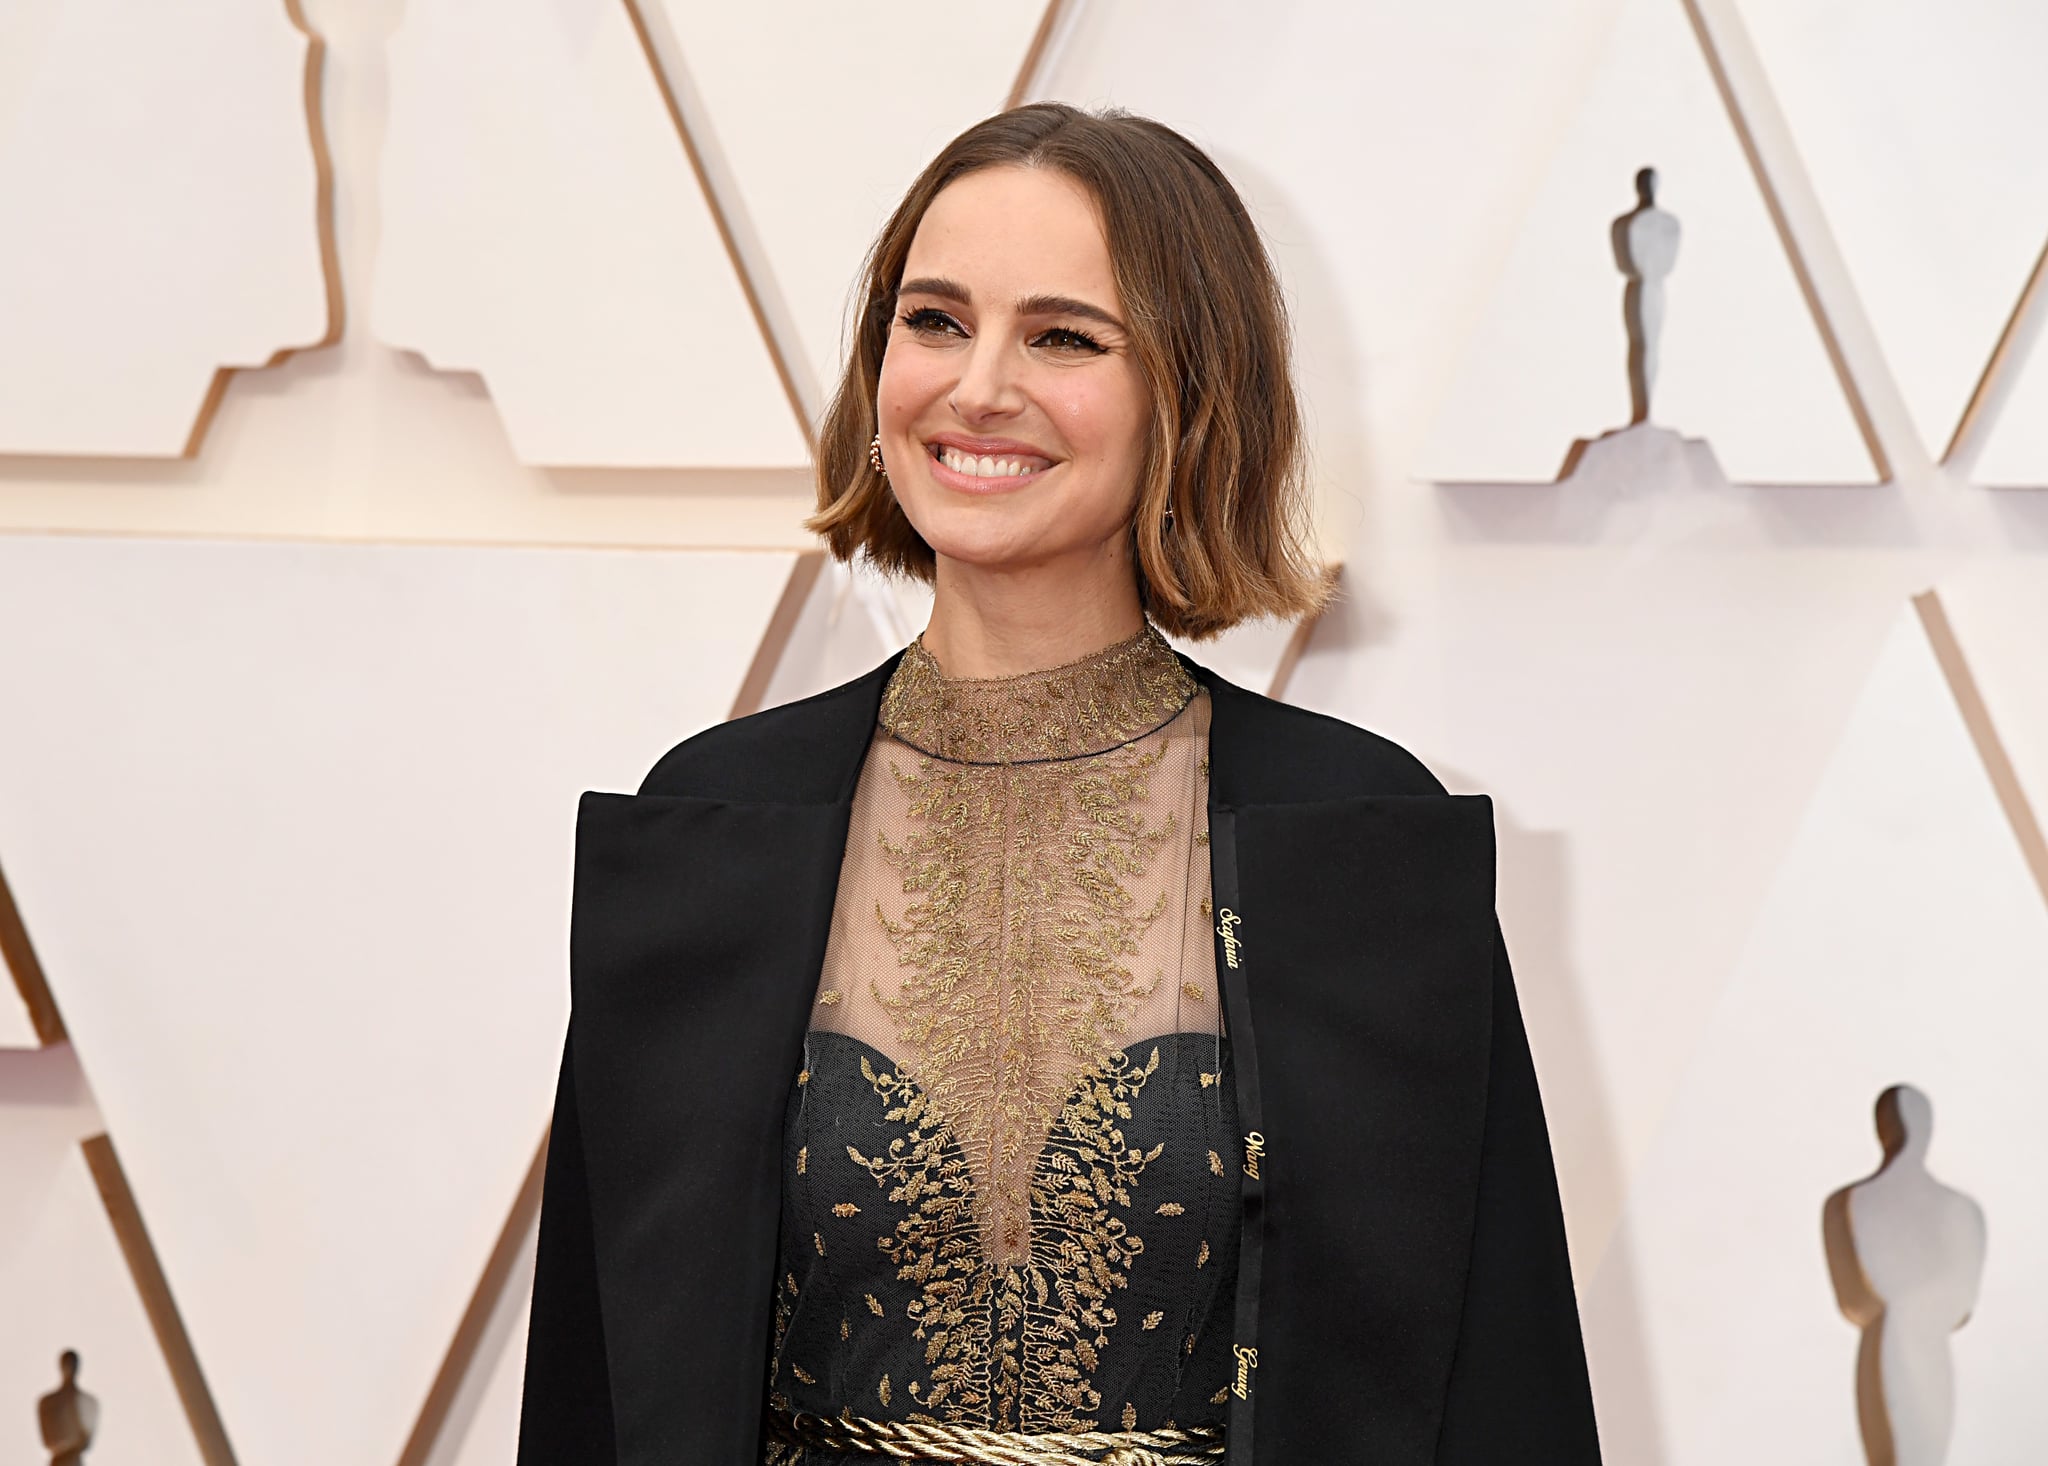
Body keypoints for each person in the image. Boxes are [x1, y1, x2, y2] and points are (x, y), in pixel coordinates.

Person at [517, 103, 1600, 1466]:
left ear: (1193, 393)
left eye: (1064, 336)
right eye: (935, 320)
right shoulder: (712, 821)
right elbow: (600, 1387)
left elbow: (1494, 1383)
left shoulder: (1357, 841)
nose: (978, 388)